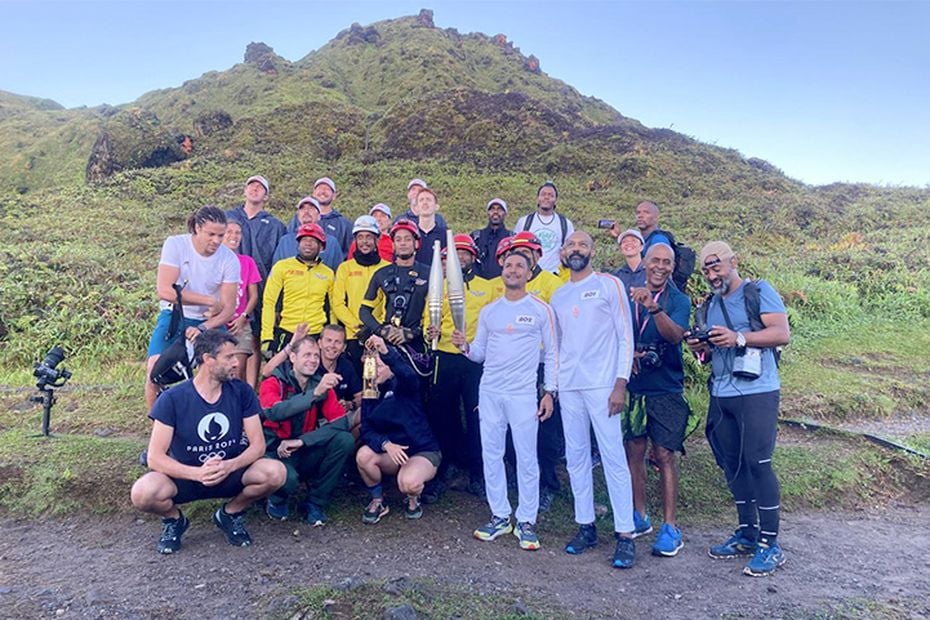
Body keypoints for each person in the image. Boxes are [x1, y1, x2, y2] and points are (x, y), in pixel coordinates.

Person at [685, 241, 790, 577]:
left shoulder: (758, 291)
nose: (711, 273)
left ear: (733, 261)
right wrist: (701, 346)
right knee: (733, 464)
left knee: (758, 463)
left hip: (758, 390)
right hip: (722, 391)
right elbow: (714, 350)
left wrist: (739, 338)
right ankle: (747, 532)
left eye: (716, 265)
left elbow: (780, 333)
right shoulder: (709, 305)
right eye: (706, 269)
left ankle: (770, 544)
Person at [130, 330, 286, 554]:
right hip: (185, 477)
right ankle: (174, 520)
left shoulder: (242, 392)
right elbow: (155, 458)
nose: (236, 363)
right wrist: (197, 474)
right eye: (229, 357)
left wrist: (229, 465)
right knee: (143, 492)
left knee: (275, 472)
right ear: (207, 360)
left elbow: (258, 445)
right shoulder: (172, 399)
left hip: (230, 471)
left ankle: (230, 513)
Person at [453, 251, 557, 551]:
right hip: (490, 392)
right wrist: (465, 347)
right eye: (508, 265)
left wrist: (549, 391)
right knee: (491, 454)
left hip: (523, 394)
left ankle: (527, 520)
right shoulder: (490, 311)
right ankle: (500, 515)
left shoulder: (540, 309)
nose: (513, 270)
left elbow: (551, 353)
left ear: (529, 271)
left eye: (519, 266)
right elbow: (480, 353)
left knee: (526, 456)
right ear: (502, 270)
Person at [550, 231, 639, 568]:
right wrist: (554, 387)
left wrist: (620, 383)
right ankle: (585, 525)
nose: (576, 249)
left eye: (583, 245)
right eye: (571, 245)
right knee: (575, 457)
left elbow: (625, 335)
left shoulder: (608, 285)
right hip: (570, 387)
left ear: (592, 251)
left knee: (613, 456)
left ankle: (625, 534)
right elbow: (557, 347)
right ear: (562, 252)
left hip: (603, 385)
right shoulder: (558, 296)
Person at [623, 243, 692, 557]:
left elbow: (675, 335)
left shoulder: (678, 299)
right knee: (634, 451)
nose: (660, 267)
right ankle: (639, 515)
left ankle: (670, 527)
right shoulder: (628, 295)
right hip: (635, 386)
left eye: (667, 262)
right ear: (645, 263)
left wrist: (653, 307)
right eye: (655, 261)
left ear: (673, 266)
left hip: (666, 388)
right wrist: (629, 356)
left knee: (664, 455)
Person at [492, 231, 564, 512]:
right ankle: (516, 478)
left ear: (537, 257)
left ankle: (548, 484)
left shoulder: (552, 283)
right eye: (517, 252)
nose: (523, 257)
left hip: (542, 364)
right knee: (510, 427)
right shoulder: (506, 284)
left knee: (543, 429)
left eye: (528, 252)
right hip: (510, 365)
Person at [423, 235, 496, 500]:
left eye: (464, 254)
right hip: (444, 357)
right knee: (443, 415)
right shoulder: (436, 287)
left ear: (473, 257)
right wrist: (429, 330)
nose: (460, 258)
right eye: (454, 255)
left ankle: (479, 472)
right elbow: (425, 321)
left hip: (475, 360)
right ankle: (446, 467)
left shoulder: (487, 288)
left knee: (479, 417)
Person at [145, 206, 239, 410]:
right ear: (197, 228)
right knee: (154, 369)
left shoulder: (229, 259)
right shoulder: (176, 244)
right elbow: (165, 290)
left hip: (209, 322)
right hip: (174, 315)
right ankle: (157, 431)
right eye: (211, 234)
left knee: (227, 369)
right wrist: (208, 301)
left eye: (220, 235)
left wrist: (204, 327)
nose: (216, 241)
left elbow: (228, 308)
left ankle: (229, 418)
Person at [259, 335, 355, 525]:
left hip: (302, 447)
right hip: (274, 451)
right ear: (293, 358)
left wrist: (303, 441)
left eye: (315, 356)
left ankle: (315, 502)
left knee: (344, 440)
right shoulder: (274, 382)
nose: (313, 360)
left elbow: (341, 422)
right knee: (289, 479)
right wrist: (315, 394)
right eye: (307, 355)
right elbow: (273, 412)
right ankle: (276, 499)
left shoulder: (318, 383)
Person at [356, 334, 441, 523]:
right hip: (394, 452)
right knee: (364, 455)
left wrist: (386, 351)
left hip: (421, 450)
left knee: (408, 484)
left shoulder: (404, 385)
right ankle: (378, 500)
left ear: (389, 366)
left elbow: (408, 374)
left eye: (379, 366)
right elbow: (367, 430)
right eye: (371, 367)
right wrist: (386, 444)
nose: (374, 371)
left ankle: (413, 498)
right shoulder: (370, 391)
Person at [261, 223, 334, 353]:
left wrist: (332, 334)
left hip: (316, 333)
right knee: (280, 372)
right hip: (287, 330)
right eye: (304, 240)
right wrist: (267, 337)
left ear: (321, 246)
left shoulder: (328, 273)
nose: (308, 243)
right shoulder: (282, 266)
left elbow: (334, 307)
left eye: (313, 240)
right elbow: (269, 302)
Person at [358, 219, 430, 349]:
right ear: (393, 244)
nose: (403, 243)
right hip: (387, 343)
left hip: (417, 345)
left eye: (407, 239)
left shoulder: (429, 274)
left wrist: (411, 333)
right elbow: (364, 311)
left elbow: (435, 314)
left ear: (416, 243)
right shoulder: (381, 274)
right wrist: (382, 331)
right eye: (398, 239)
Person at [334, 215, 392, 373]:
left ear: (377, 240)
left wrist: (376, 326)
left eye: (369, 237)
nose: (364, 241)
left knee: (377, 381)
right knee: (357, 384)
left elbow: (389, 303)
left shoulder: (388, 268)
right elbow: (338, 303)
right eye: (360, 237)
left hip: (379, 335)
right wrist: (358, 327)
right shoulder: (345, 268)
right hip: (354, 335)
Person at [222, 219, 261, 385]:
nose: (234, 236)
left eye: (237, 232)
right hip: (218, 322)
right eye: (229, 232)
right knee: (215, 370)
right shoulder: (212, 261)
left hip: (240, 322)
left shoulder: (247, 262)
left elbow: (253, 295)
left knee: (238, 370)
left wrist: (244, 316)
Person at [514, 181, 575, 273]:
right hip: (529, 275)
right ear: (538, 198)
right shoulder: (524, 222)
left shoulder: (566, 224)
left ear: (555, 200)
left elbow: (570, 250)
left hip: (555, 276)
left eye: (551, 195)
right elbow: (515, 248)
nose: (546, 197)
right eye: (543, 194)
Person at [274, 196, 343, 272]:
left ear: (319, 216)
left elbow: (338, 273)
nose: (306, 211)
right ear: (298, 215)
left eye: (311, 208)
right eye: (302, 208)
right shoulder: (285, 241)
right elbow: (275, 271)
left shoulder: (331, 243)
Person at [317, 324, 363, 433]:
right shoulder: (311, 364)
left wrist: (350, 404)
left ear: (344, 347)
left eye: (338, 342)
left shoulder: (346, 365)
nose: (332, 345)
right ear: (319, 343)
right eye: (328, 340)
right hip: (316, 421)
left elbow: (361, 395)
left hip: (340, 417)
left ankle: (347, 447)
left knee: (367, 413)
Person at [471, 198, 512, 280]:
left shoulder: (511, 238)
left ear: (505, 213)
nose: (495, 212)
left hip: (503, 283)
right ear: (488, 213)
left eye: (499, 209)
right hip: (479, 285)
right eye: (492, 209)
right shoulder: (476, 236)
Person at [312, 177, 353, 258]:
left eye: (327, 189)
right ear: (313, 193)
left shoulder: (344, 224)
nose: (323, 191)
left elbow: (349, 252)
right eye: (319, 188)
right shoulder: (301, 219)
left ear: (334, 196)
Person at [412, 188, 448, 265]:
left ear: (436, 207)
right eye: (421, 200)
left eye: (428, 199)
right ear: (416, 208)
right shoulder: (410, 235)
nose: (425, 202)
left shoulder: (445, 235)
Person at [614, 228, 647, 294]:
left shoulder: (651, 271)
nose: (628, 243)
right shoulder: (618, 275)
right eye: (624, 241)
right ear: (620, 249)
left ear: (641, 247)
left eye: (633, 240)